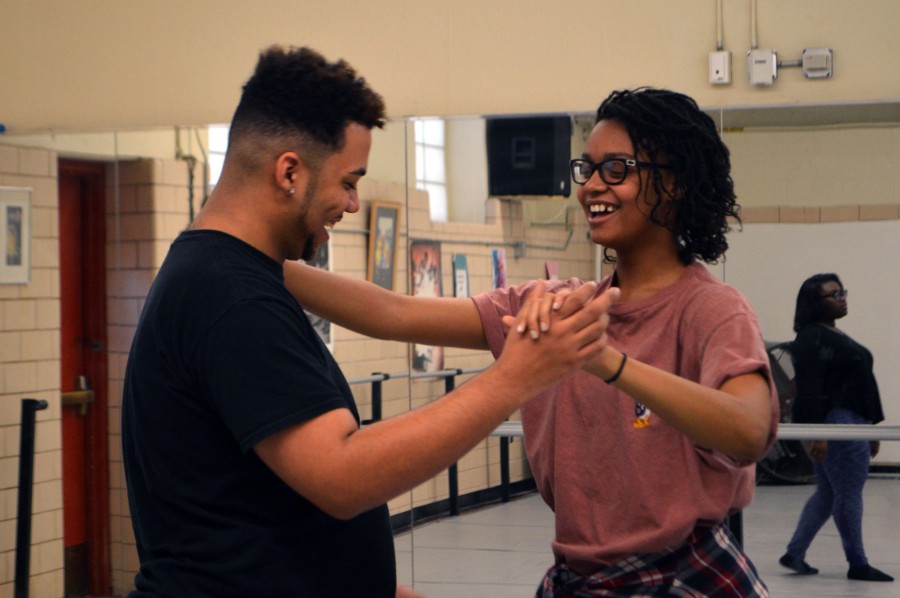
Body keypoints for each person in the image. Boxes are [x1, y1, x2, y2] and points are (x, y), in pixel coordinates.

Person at [120, 45, 618, 598]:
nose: (353, 204)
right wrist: (517, 378)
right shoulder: (232, 298)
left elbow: (388, 313)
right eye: (349, 182)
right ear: (289, 171)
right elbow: (342, 475)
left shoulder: (236, 275)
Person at [285, 87, 780, 596]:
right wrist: (250, 256)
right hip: (581, 579)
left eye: (617, 169)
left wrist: (606, 361)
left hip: (683, 575)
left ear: (673, 183)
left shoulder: (710, 310)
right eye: (586, 169)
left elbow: (747, 430)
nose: (591, 187)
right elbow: (393, 313)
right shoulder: (554, 306)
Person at [779, 273, 893, 582]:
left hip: (848, 423)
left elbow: (858, 385)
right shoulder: (812, 339)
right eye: (833, 294)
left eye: (842, 291)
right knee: (849, 494)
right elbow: (812, 387)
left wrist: (871, 428)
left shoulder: (830, 335)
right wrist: (819, 433)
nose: (842, 297)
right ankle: (857, 563)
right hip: (835, 423)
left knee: (829, 494)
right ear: (814, 303)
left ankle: (795, 553)